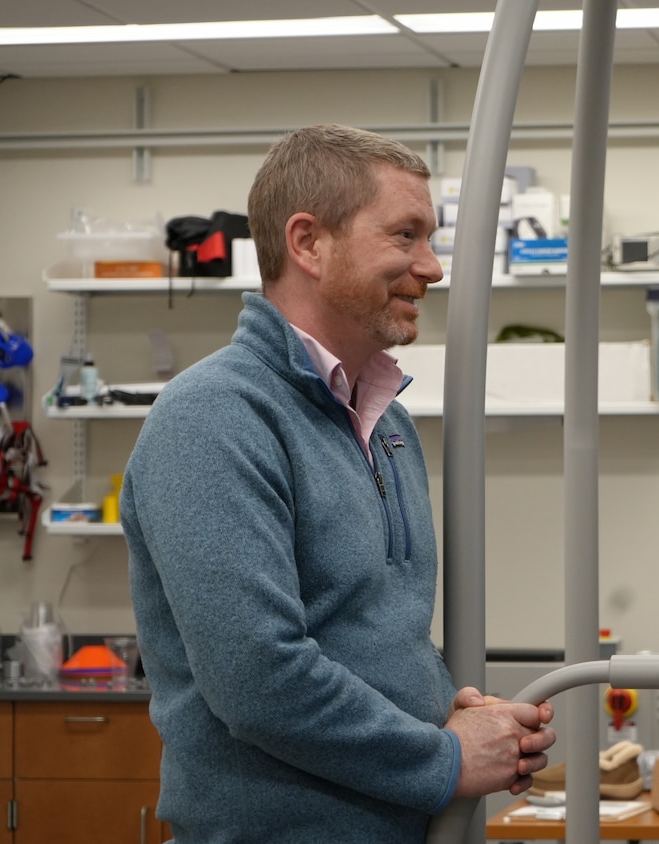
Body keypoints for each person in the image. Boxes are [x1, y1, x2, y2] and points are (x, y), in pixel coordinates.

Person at [122, 124, 556, 843]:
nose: (433, 266)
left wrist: (451, 714)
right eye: (406, 235)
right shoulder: (215, 417)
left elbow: (367, 634)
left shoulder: (388, 422)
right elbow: (258, 680)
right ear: (308, 243)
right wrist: (443, 757)